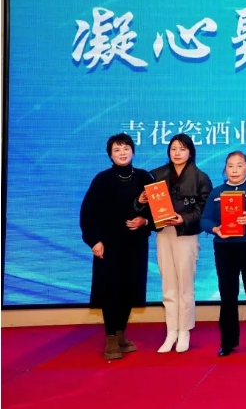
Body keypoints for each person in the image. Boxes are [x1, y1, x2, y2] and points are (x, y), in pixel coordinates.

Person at [80, 134, 154, 360]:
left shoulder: (145, 177)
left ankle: (121, 334)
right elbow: (87, 213)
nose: (122, 153)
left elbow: (159, 211)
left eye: (126, 148)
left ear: (133, 151)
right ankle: (111, 338)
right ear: (110, 155)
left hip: (136, 245)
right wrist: (94, 240)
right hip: (109, 245)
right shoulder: (102, 179)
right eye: (117, 150)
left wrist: (145, 221)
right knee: (110, 290)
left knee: (129, 289)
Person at [139, 133, 212, 353]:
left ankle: (185, 331)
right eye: (173, 149)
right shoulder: (156, 175)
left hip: (186, 235)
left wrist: (184, 219)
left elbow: (204, 210)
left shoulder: (200, 178)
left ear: (190, 152)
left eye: (182, 149)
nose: (177, 153)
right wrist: (140, 201)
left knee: (185, 286)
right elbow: (145, 207)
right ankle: (171, 330)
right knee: (168, 284)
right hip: (164, 233)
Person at [201, 151, 246, 357]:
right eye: (230, 166)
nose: (234, 170)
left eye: (239, 165)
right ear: (225, 169)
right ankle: (228, 342)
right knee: (227, 295)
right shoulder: (217, 192)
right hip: (225, 248)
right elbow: (205, 219)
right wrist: (215, 229)